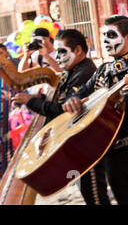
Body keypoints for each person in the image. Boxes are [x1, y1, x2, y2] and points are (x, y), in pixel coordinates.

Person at [62, 15, 128, 205]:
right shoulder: (102, 70)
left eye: (112, 35)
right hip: (111, 154)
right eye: (103, 35)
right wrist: (72, 100)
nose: (105, 41)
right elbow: (81, 92)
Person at [12, 29, 111, 205]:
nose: (57, 56)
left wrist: (31, 102)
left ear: (78, 50)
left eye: (62, 51)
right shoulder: (71, 69)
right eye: (56, 52)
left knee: (95, 196)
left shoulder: (85, 72)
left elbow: (63, 110)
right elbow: (60, 98)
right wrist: (38, 98)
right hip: (75, 143)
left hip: (86, 144)